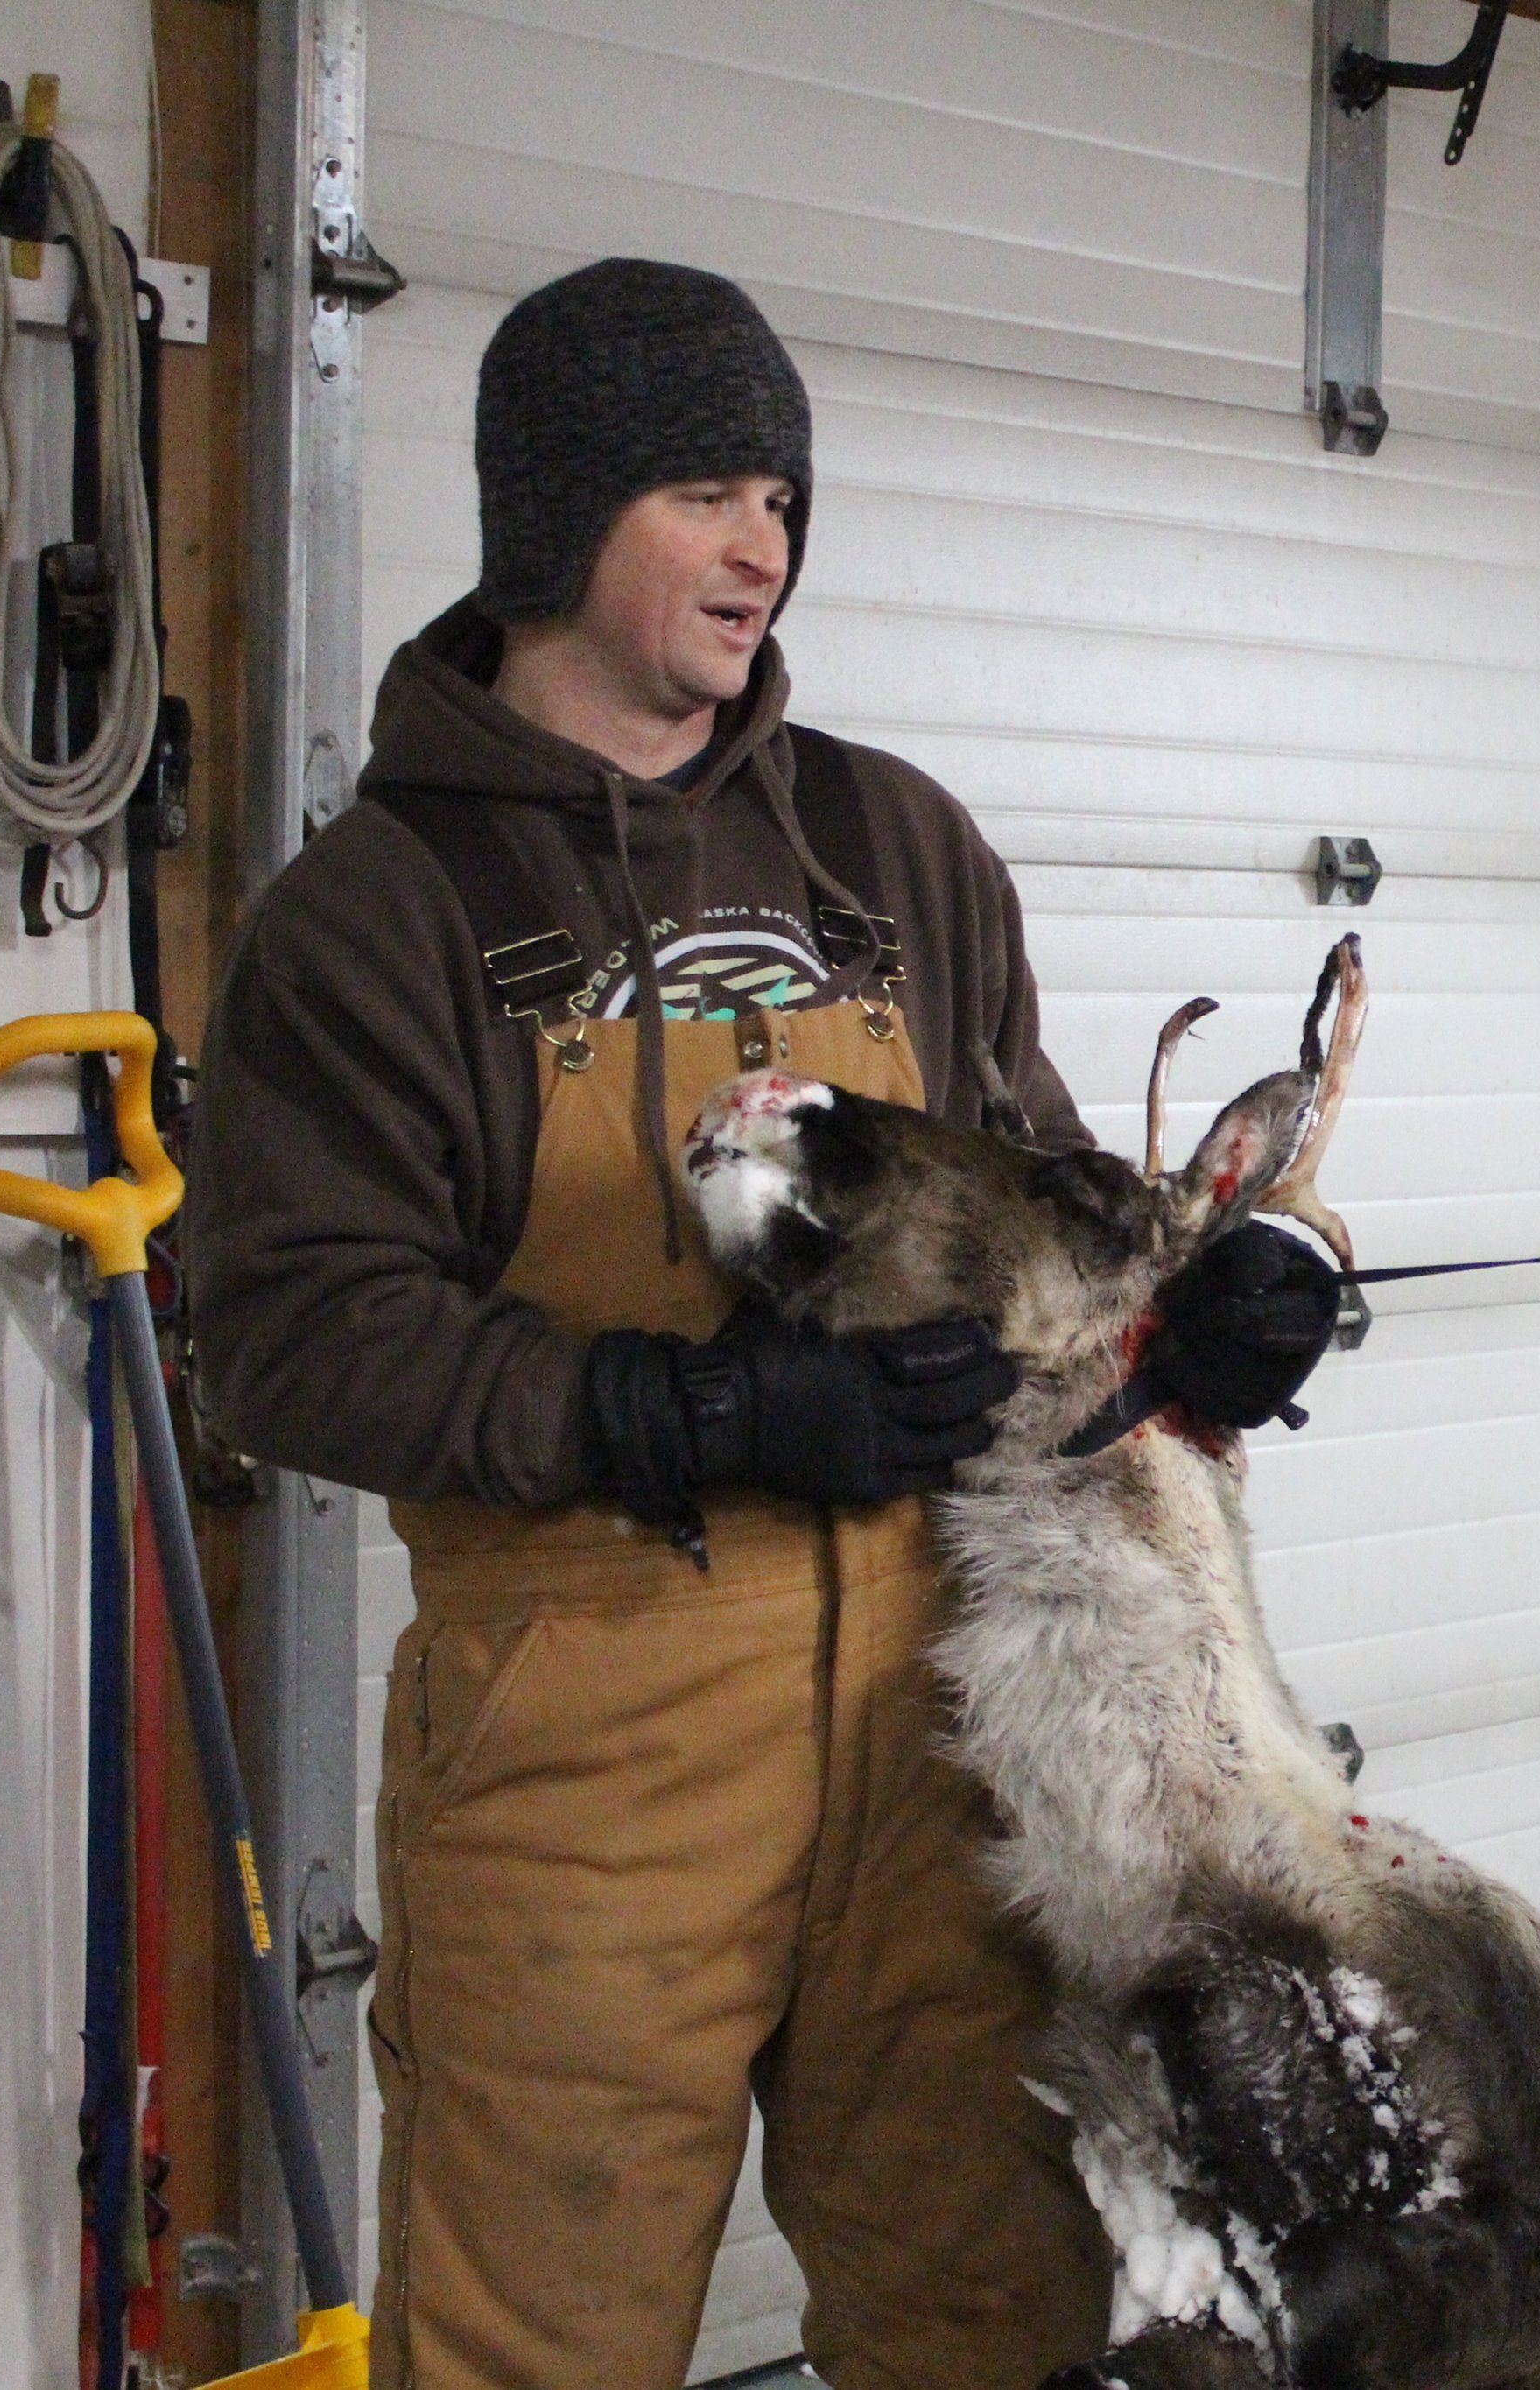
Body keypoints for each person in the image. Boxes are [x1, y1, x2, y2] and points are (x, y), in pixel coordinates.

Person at [190, 259, 1321, 2389]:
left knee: (992, 2311)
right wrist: (678, 1404)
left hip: (952, 1716)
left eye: (780, 496)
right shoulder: (375, 913)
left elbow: (1050, 1201)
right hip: (585, 1744)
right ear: (555, 521)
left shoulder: (893, 843)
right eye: (706, 492)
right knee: (540, 2328)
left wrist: (1216, 1313)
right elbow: (290, 1335)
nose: (764, 546)